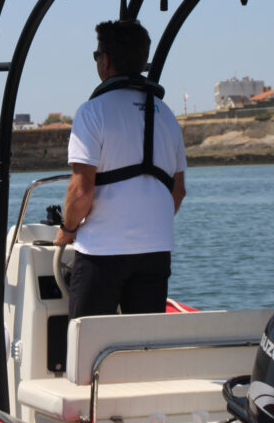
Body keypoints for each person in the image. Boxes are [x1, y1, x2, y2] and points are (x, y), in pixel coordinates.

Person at [54, 19, 187, 318]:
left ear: (107, 60)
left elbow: (80, 191)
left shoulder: (92, 112)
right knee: (142, 344)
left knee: (87, 343)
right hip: (156, 251)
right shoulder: (166, 115)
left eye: (96, 55)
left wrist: (67, 231)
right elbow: (177, 192)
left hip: (102, 254)